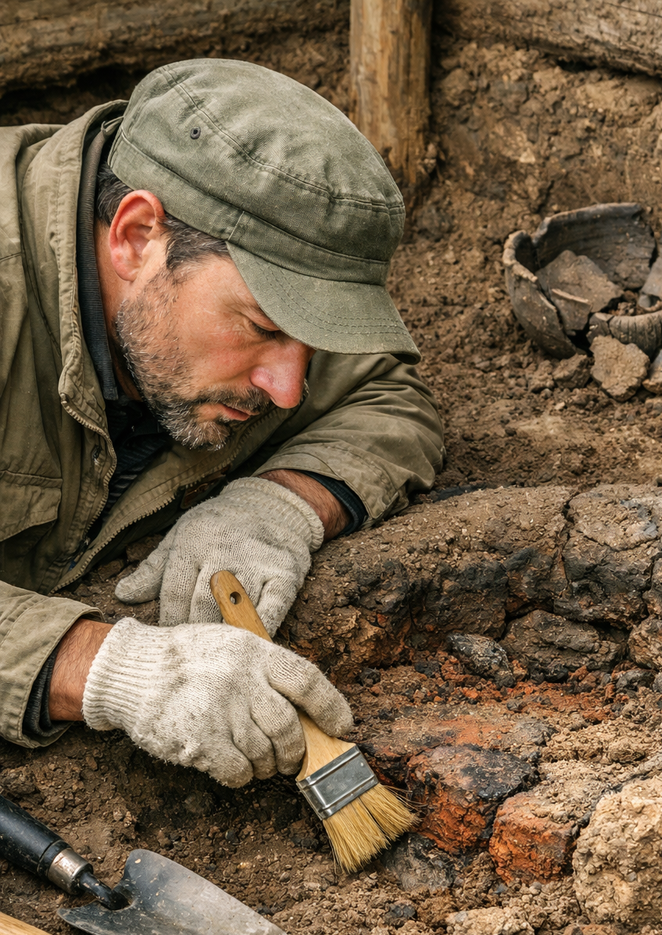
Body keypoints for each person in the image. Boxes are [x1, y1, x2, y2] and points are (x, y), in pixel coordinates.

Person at [0, 58, 442, 786]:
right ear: (136, 236)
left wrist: (284, 501)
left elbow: (389, 395)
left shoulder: (227, 287)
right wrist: (106, 667)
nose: (289, 389)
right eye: (263, 327)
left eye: (312, 339)